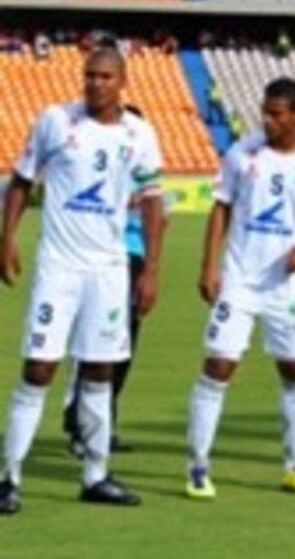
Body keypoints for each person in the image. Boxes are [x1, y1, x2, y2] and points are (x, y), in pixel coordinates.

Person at [0, 47, 164, 514]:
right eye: (89, 75)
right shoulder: (56, 121)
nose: (95, 83)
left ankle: (96, 474)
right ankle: (8, 477)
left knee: (99, 371)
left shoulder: (140, 135)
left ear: (122, 81)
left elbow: (153, 202)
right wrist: (6, 238)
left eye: (105, 76)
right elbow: (21, 180)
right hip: (59, 267)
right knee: (39, 368)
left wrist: (150, 269)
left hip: (109, 270)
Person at [184, 78, 295, 500]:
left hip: (288, 287)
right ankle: (198, 464)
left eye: (277, 114)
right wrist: (208, 266)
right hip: (240, 280)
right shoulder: (243, 154)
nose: (268, 120)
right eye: (265, 112)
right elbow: (221, 208)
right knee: (219, 365)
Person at [62, 106, 170, 456]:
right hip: (99, 255)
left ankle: (102, 422)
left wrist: (153, 268)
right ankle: (80, 426)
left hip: (133, 256)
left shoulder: (144, 168)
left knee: (122, 344)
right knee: (96, 344)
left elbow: (160, 215)